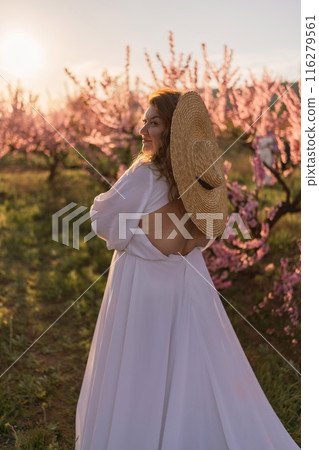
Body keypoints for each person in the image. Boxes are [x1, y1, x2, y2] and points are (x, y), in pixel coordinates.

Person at [75, 89, 300, 449]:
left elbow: (102, 219)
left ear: (173, 130)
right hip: (186, 282)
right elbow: (210, 227)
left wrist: (132, 235)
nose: (143, 130)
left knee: (142, 366)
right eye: (144, 122)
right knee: (189, 364)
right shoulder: (200, 177)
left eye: (155, 122)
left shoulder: (145, 174)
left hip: (144, 284)